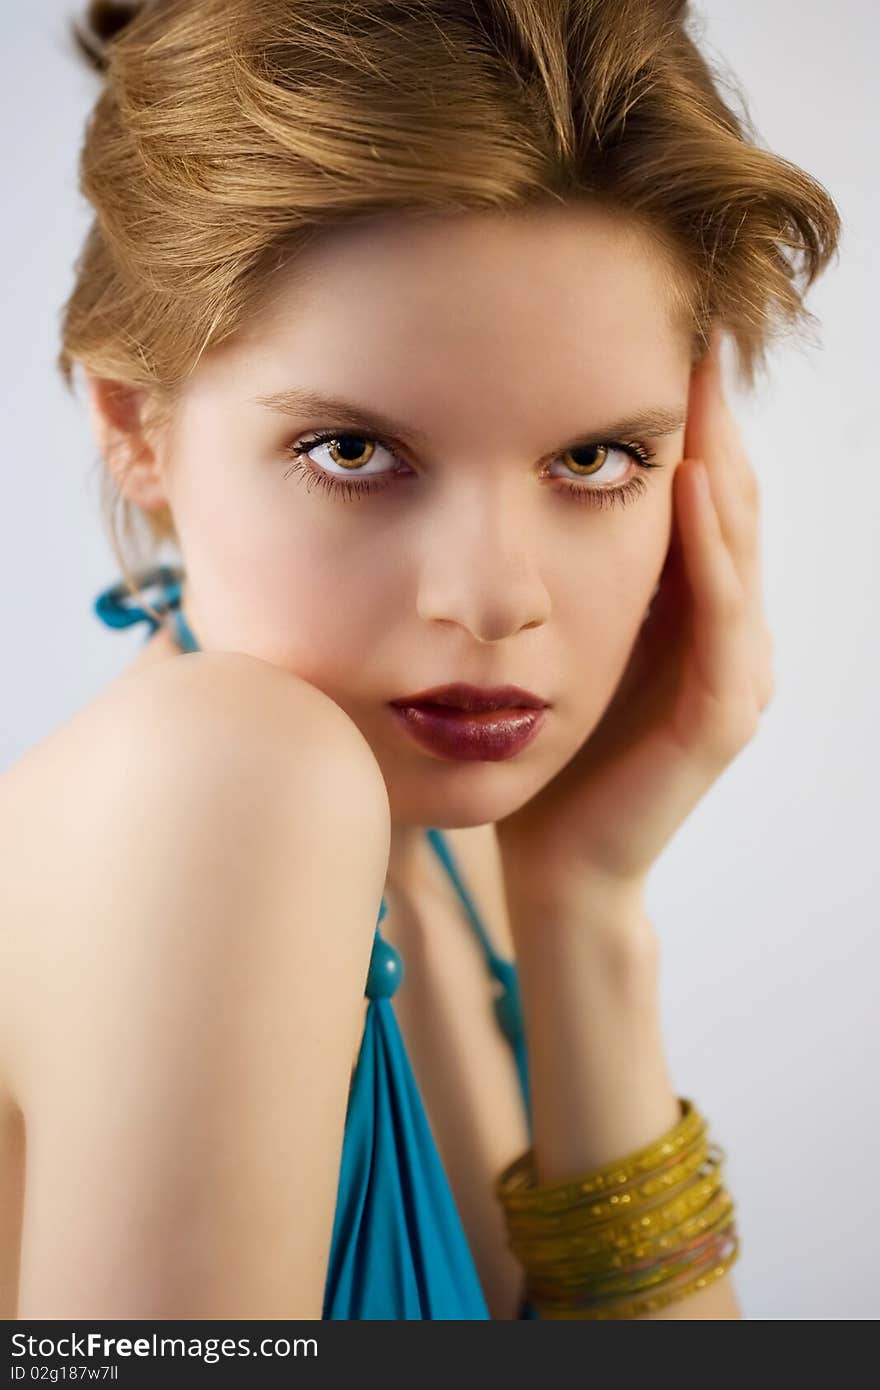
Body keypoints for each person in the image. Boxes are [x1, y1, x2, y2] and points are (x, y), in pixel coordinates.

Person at [0, 0, 840, 1321]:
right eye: (354, 451)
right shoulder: (229, 782)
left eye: (594, 457)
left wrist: (583, 911)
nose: (497, 600)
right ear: (134, 424)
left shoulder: (462, 844)